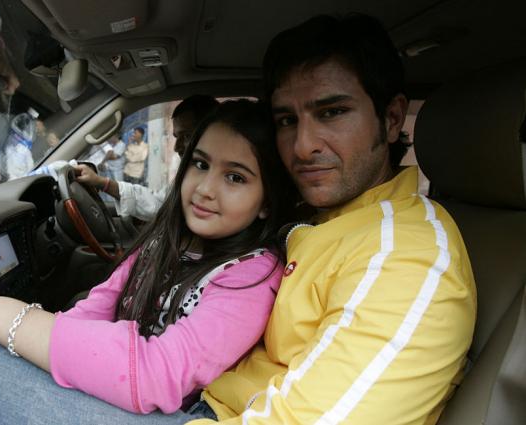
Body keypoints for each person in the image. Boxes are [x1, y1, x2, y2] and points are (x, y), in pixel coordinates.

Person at [0, 100, 298, 424]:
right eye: (201, 164)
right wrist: (25, 338)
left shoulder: (254, 273)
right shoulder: (164, 239)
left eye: (235, 177)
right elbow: (97, 307)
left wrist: (0, 314)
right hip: (126, 389)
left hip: (177, 412)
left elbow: (159, 376)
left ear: (267, 202)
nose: (206, 188)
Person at [190, 14, 476, 425]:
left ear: (392, 119)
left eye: (332, 112)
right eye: (287, 120)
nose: (302, 147)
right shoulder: (318, 215)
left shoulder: (405, 253)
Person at [75, 95, 218, 221]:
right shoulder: (187, 175)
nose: (176, 147)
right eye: (176, 137)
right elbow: (159, 204)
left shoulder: (215, 187)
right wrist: (102, 182)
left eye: (187, 136)